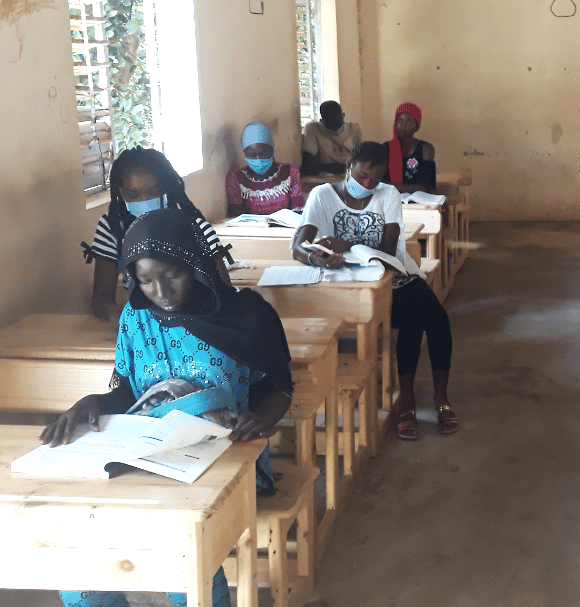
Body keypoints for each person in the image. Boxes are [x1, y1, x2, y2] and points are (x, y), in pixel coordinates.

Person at [45, 208, 294, 607]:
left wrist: (262, 419)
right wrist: (92, 402)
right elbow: (128, 393)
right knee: (80, 571)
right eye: (145, 280)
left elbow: (279, 387)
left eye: (171, 274)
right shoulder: (135, 317)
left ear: (193, 265)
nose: (159, 291)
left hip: (226, 454)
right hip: (148, 452)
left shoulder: (246, 315)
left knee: (183, 556)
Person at [291, 142, 457, 439]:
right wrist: (314, 256)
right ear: (350, 164)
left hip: (394, 274)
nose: (367, 184)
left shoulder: (387, 194)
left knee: (437, 320)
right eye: (362, 174)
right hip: (346, 282)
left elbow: (388, 249)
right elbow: (298, 246)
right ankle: (406, 401)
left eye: (375, 179)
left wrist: (346, 245)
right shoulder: (322, 196)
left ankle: (440, 398)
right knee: (413, 319)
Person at [82, 147, 227, 324]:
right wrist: (121, 320)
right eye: (133, 195)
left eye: (153, 192)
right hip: (145, 324)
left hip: (198, 321)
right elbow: (101, 298)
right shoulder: (113, 227)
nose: (144, 200)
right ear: (120, 193)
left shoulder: (194, 227)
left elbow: (224, 292)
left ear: (167, 187)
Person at [226, 121, 303, 216]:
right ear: (245, 155)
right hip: (251, 229)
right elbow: (235, 216)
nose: (258, 160)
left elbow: (298, 210)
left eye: (263, 154)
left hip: (286, 229)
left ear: (272, 150)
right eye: (252, 155)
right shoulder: (236, 178)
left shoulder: (290, 172)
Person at [383, 102, 436, 194]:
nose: (403, 125)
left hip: (420, 200)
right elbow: (380, 183)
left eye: (409, 122)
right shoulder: (385, 148)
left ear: (417, 126)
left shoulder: (425, 149)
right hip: (390, 199)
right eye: (399, 121)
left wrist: (392, 187)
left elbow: (426, 186)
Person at [301, 100, 364, 175]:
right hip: (324, 177)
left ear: (343, 116)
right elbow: (307, 165)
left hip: (349, 174)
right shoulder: (313, 129)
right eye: (330, 123)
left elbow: (363, 158)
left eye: (337, 123)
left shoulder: (354, 129)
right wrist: (327, 167)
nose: (334, 127)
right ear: (322, 120)